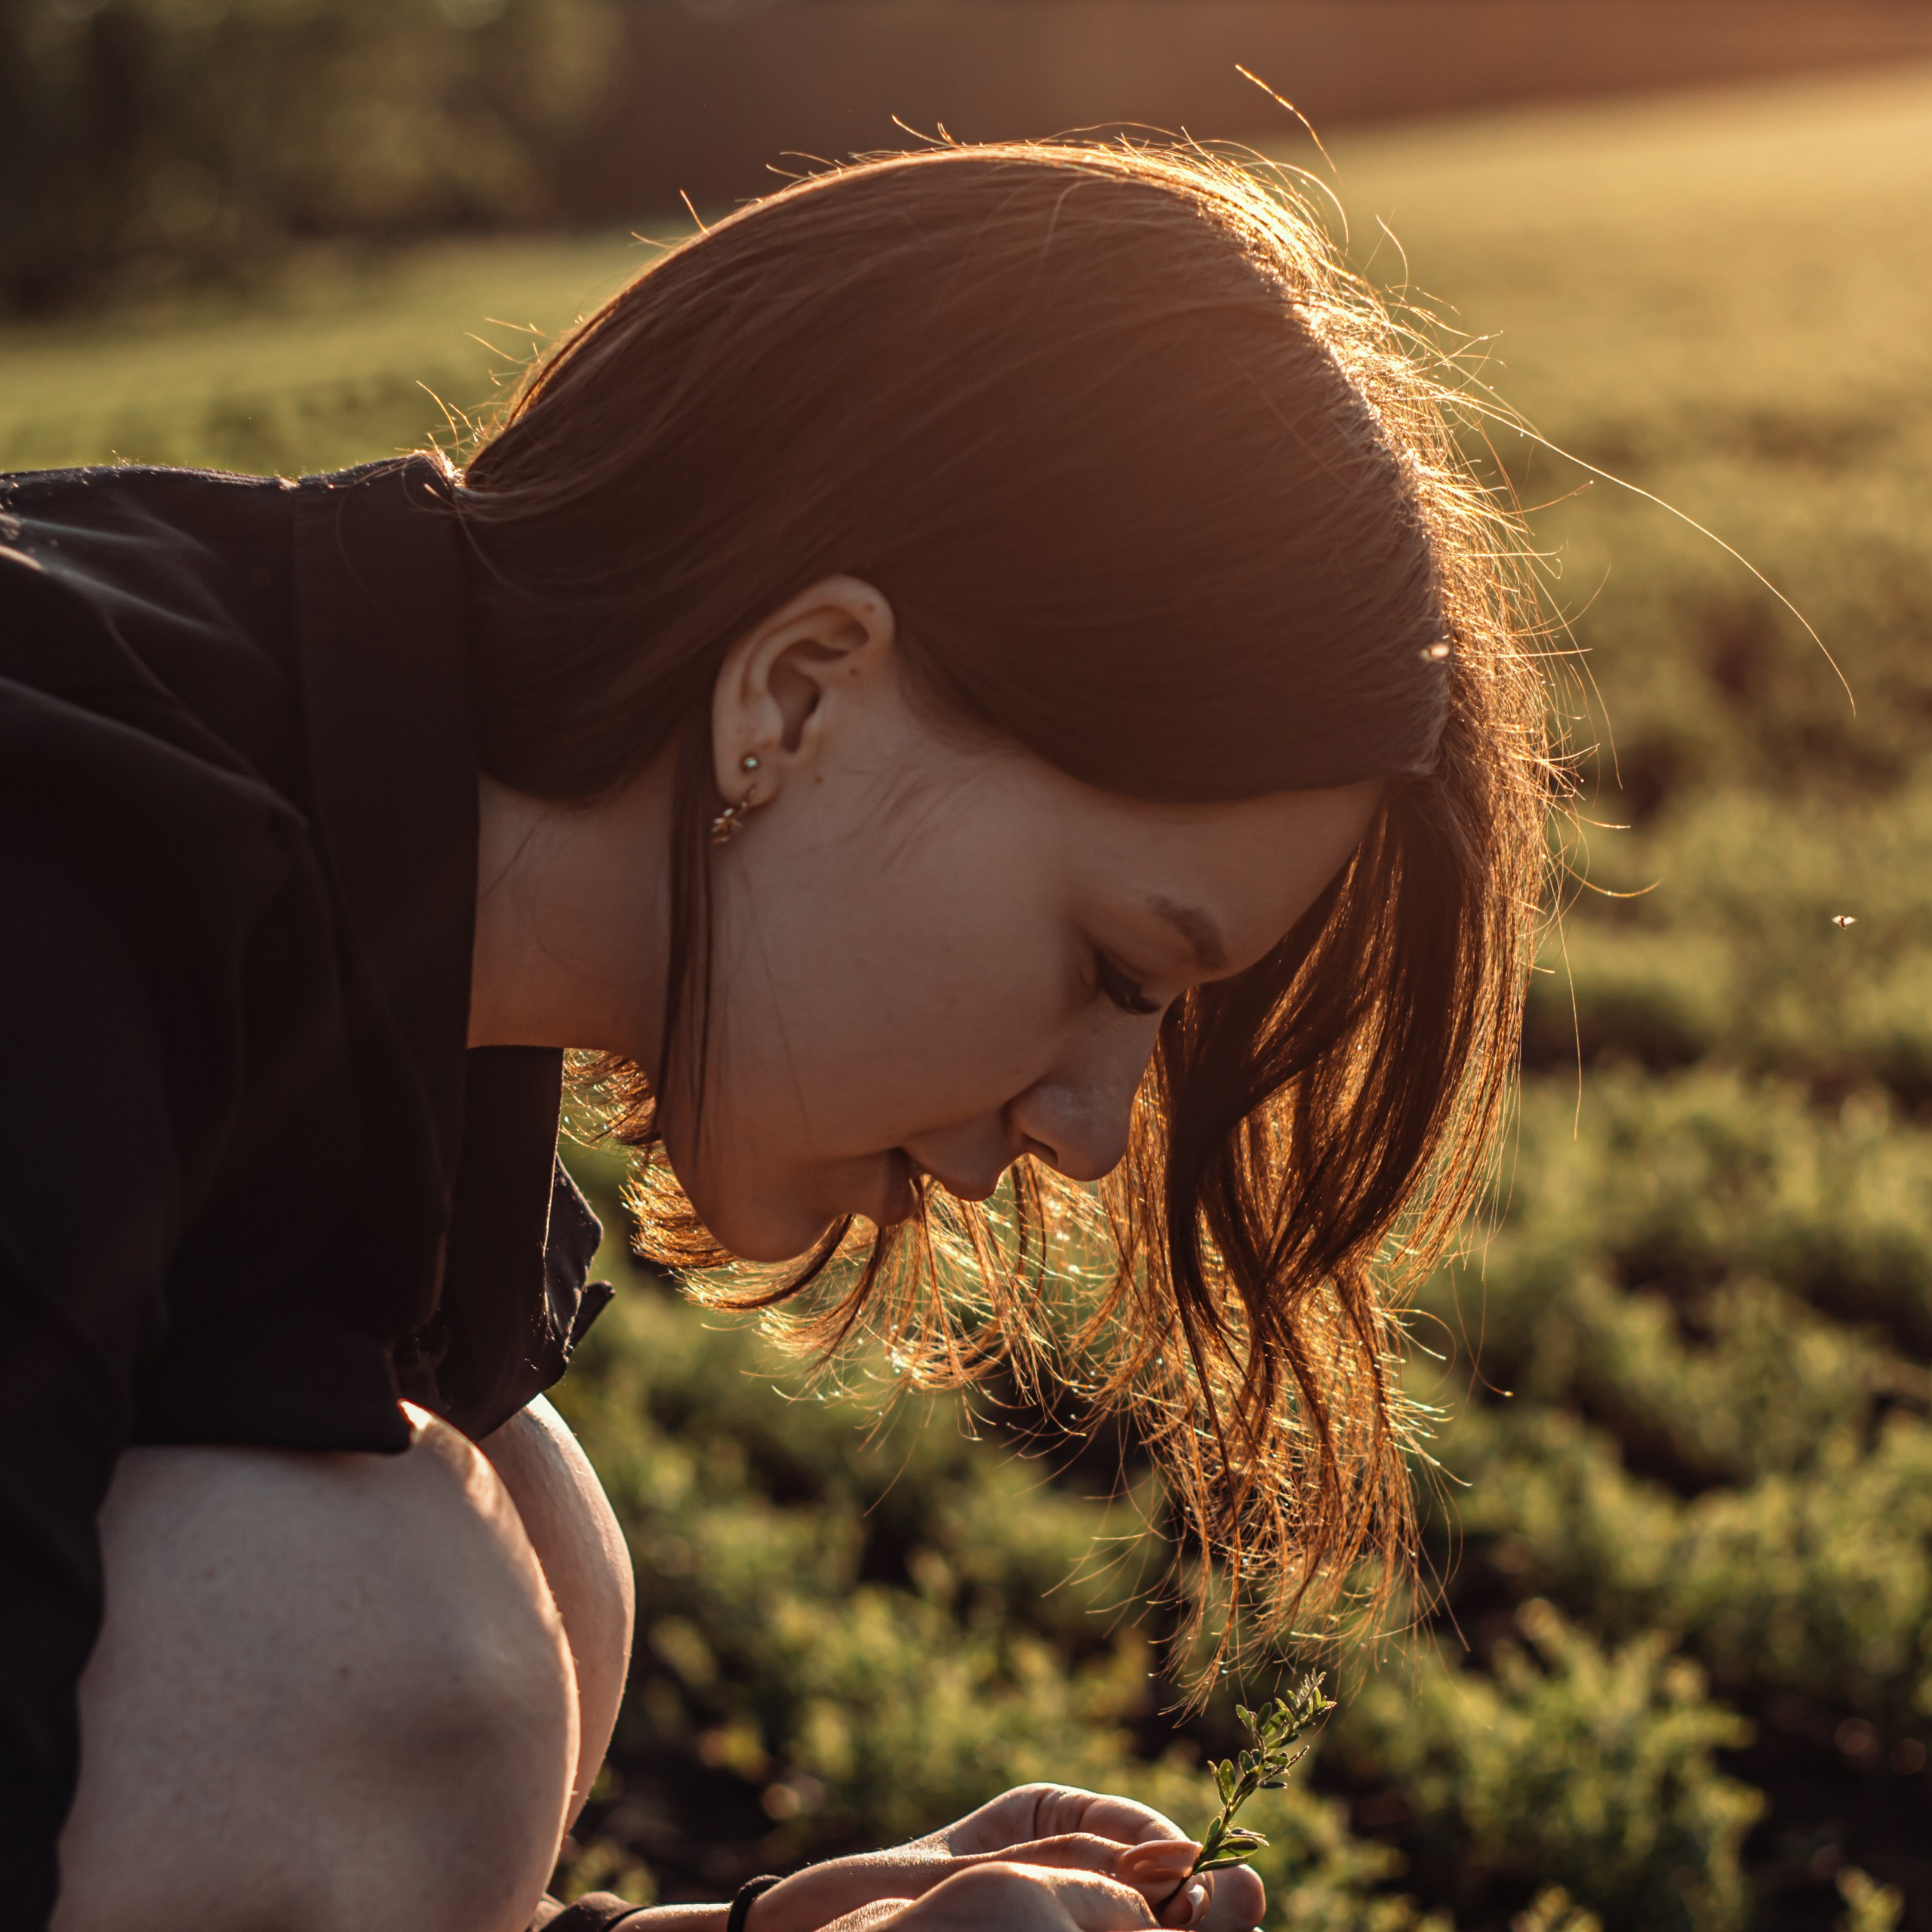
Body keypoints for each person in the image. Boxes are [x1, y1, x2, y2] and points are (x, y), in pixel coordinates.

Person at [0, 140, 1546, 1932]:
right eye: (1118, 965)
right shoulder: (54, 876)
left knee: (505, 1541)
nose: (1095, 1120)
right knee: (381, 1632)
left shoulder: (350, 899)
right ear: (798, 690)